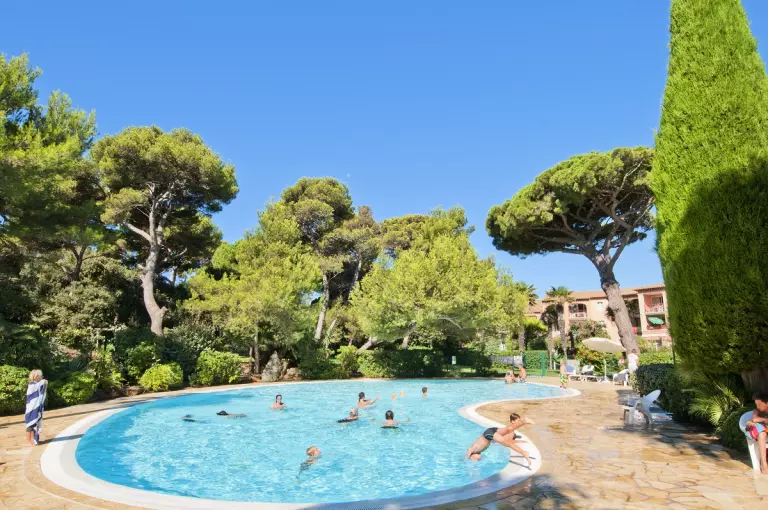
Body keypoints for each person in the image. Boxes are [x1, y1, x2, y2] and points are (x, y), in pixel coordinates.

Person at [465, 413, 534, 465]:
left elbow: (467, 455)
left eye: (474, 459)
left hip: (488, 435)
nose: (477, 459)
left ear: (471, 456)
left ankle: (524, 453)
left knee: (507, 443)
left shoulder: (471, 450)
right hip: (490, 432)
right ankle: (524, 421)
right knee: (508, 430)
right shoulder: (479, 451)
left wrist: (465, 459)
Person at [747, 392, 768, 474]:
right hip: (761, 432)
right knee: (762, 433)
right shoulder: (757, 411)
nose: (757, 406)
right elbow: (754, 419)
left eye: (759, 404)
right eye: (756, 404)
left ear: (766, 403)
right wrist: (766, 420)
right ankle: (763, 464)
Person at [24, 370, 47, 446]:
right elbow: (41, 384)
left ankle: (34, 440)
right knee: (30, 425)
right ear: (36, 377)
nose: (41, 377)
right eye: (40, 376)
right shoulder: (32, 385)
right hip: (31, 408)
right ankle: (29, 441)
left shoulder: (36, 384)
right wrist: (44, 382)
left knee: (35, 424)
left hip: (35, 408)